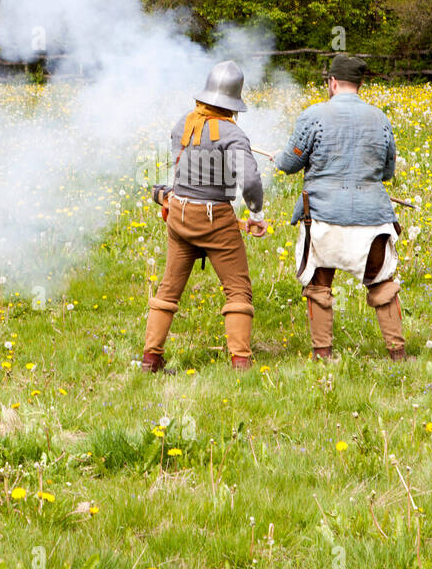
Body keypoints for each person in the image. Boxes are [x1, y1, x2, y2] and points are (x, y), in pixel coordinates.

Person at [276, 54, 406, 360]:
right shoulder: (380, 117)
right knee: (382, 284)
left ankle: (323, 354)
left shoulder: (313, 115)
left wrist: (281, 158)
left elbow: (289, 164)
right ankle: (397, 353)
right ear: (359, 84)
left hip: (323, 217)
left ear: (332, 83)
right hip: (372, 218)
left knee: (319, 285)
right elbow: (387, 172)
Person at [143, 60, 268, 372]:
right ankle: (241, 362)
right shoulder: (233, 134)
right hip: (215, 220)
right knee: (238, 289)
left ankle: (151, 359)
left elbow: (183, 168)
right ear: (233, 101)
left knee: (168, 289)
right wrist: (256, 212)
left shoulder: (184, 123)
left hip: (180, 213)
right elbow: (250, 181)